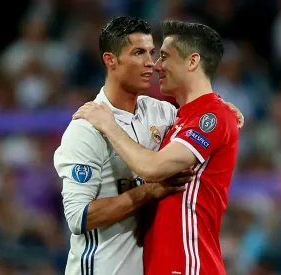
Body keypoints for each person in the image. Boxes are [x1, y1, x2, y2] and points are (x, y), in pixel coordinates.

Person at [73, 20, 244, 275]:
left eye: (163, 56)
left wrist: (108, 124)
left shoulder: (213, 116)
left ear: (192, 61)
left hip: (189, 265)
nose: (156, 66)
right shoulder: (180, 118)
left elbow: (152, 168)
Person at [53, 16, 192, 275]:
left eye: (152, 53)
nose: (150, 63)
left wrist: (219, 110)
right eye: (138, 53)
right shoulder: (87, 128)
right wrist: (148, 192)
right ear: (110, 60)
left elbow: (199, 124)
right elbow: (78, 218)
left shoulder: (162, 113)